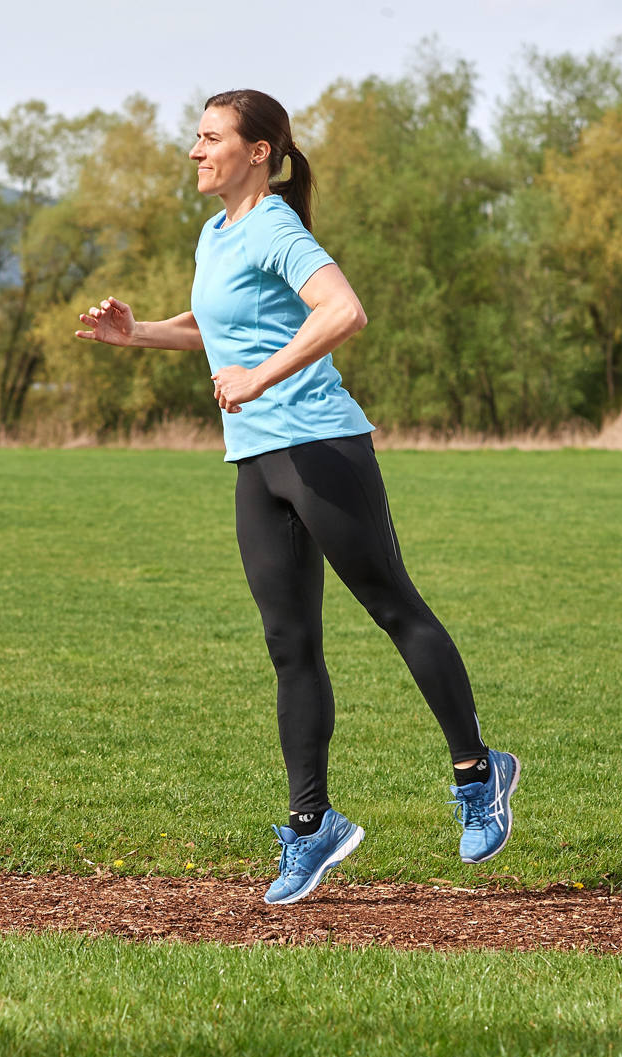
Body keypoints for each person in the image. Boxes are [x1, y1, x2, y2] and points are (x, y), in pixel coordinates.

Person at [74, 89, 518, 905]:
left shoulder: (277, 224)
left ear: (258, 152)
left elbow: (342, 311)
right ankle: (313, 826)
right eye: (196, 137)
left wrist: (260, 378)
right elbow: (226, 327)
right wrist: (137, 335)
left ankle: (478, 773)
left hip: (320, 447)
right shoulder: (218, 233)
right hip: (257, 462)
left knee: (394, 608)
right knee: (290, 646)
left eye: (210, 138)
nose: (195, 151)